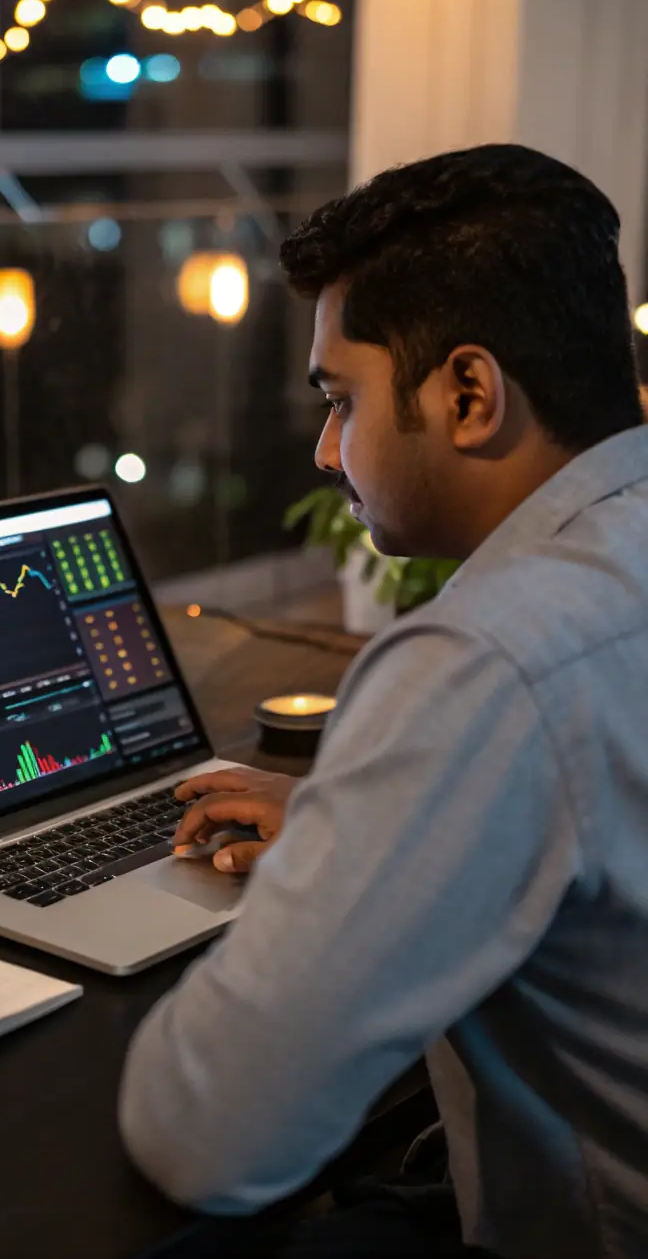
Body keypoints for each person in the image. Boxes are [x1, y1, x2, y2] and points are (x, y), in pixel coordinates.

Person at [118, 144, 648, 1259]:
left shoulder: (483, 656)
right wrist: (350, 822)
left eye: (339, 398)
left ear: (466, 393)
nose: (325, 451)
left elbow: (201, 1134)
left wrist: (343, 860)